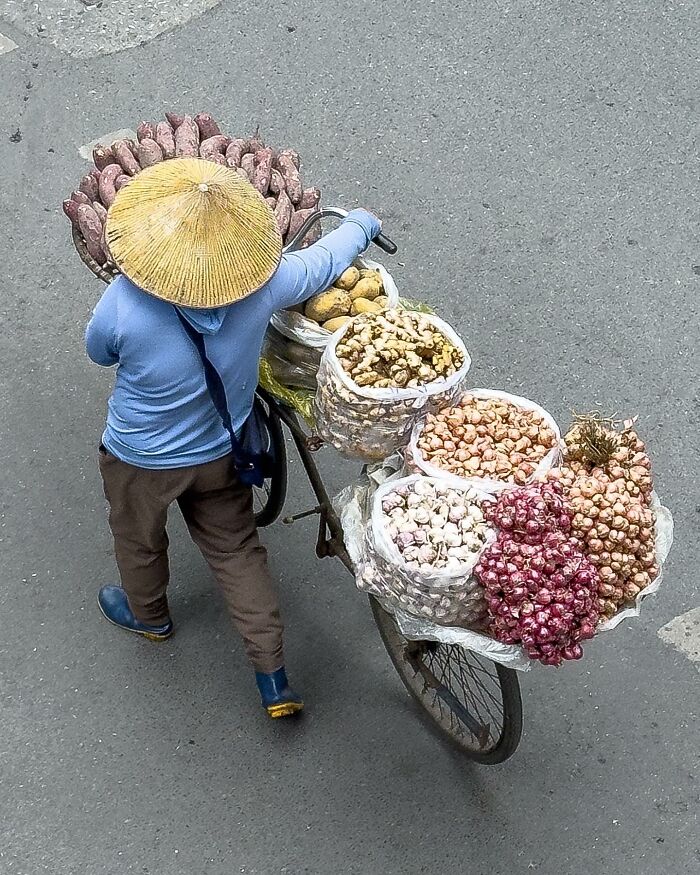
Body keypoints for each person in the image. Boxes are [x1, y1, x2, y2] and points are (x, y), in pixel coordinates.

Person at [86, 158, 381, 718]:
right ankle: (273, 677)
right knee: (238, 552)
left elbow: (99, 352)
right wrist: (359, 226)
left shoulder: (125, 300)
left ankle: (148, 616)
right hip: (223, 452)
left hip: (138, 459)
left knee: (138, 538)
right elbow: (321, 265)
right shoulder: (263, 286)